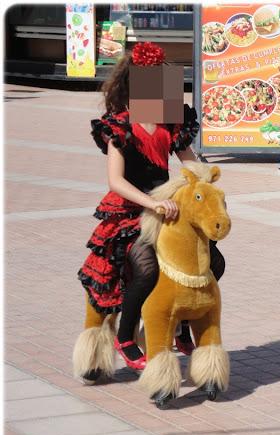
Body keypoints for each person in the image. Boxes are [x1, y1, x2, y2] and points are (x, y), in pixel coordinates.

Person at [78, 43, 224, 371]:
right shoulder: (118, 126)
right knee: (146, 269)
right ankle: (125, 336)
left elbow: (191, 166)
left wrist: (206, 184)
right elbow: (116, 181)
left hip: (167, 209)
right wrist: (153, 203)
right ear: (135, 84)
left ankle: (183, 326)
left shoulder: (171, 123)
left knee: (211, 262)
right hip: (130, 211)